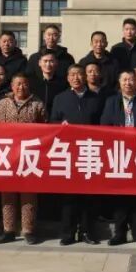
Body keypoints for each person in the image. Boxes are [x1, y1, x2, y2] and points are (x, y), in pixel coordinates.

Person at [49, 65, 103, 245]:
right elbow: (52, 121)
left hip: (90, 152)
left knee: (88, 196)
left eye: (79, 74)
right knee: (68, 196)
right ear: (67, 78)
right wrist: (60, 125)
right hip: (68, 153)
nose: (76, 78)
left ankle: (87, 232)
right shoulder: (60, 98)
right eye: (72, 75)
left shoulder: (96, 98)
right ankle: (68, 233)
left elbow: (103, 124)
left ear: (85, 77)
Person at [100, 71, 136, 246]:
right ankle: (120, 233)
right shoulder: (111, 102)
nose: (128, 83)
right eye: (124, 79)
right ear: (119, 82)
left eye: (131, 79)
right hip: (119, 153)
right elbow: (104, 125)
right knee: (120, 196)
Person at [0, 75, 46, 244]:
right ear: (12, 86)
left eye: (25, 84)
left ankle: (28, 230)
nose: (21, 87)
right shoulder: (2, 104)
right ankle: (9, 230)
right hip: (6, 156)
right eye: (18, 84)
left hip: (29, 156)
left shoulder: (37, 104)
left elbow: (46, 129)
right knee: (7, 194)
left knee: (29, 195)